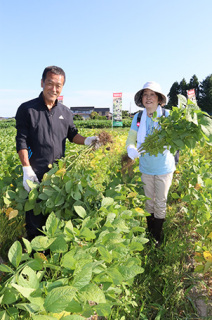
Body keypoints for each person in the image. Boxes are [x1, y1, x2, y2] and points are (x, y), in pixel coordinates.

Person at [15, 65, 98, 241]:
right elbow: (21, 140)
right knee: (35, 221)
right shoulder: (27, 109)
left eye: (58, 85)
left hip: (58, 177)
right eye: (50, 83)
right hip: (35, 176)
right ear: (42, 83)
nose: (54, 89)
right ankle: (32, 257)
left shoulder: (65, 112)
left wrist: (87, 140)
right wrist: (26, 170)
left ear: (62, 87)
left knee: (53, 222)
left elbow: (72, 134)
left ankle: (49, 261)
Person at [126, 81, 176, 246]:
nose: (148, 98)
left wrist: (168, 143)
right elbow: (131, 139)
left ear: (159, 99)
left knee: (160, 201)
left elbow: (175, 140)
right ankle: (149, 234)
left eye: (152, 94)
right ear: (142, 99)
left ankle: (157, 238)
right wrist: (131, 149)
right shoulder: (138, 117)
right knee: (149, 201)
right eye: (145, 94)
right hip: (146, 167)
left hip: (164, 167)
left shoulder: (168, 117)